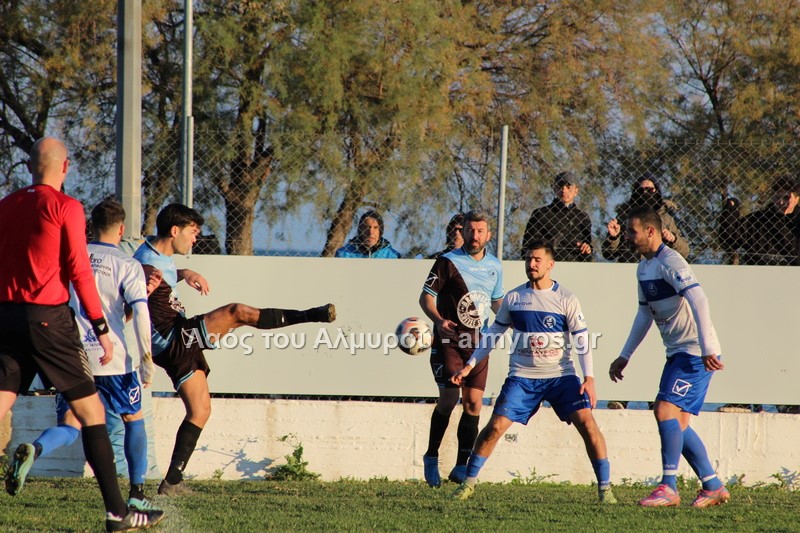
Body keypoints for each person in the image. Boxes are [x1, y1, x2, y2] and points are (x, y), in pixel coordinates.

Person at [0, 137, 163, 531]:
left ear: (29, 167)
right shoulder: (66, 206)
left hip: (5, 316)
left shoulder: (6, 204)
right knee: (91, 414)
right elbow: (79, 270)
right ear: (66, 167)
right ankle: (118, 513)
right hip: (48, 319)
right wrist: (102, 328)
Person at [133, 203, 336, 495]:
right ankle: (311, 315)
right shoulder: (143, 264)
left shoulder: (157, 254)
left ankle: (172, 482)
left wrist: (185, 272)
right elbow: (135, 286)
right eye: (193, 232)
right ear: (175, 231)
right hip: (173, 337)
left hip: (176, 340)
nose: (195, 238)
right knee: (237, 312)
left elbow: (161, 274)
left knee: (200, 410)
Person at [449, 240, 617, 503]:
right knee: (495, 427)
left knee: (587, 423)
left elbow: (582, 340)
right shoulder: (514, 298)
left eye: (537, 259)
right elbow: (493, 334)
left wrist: (589, 378)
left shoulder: (566, 299)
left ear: (550, 264)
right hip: (522, 378)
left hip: (561, 377)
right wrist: (470, 364)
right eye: (528, 259)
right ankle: (468, 483)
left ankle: (605, 489)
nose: (532, 263)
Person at [608, 206, 730, 508]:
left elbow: (699, 299)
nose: (627, 236)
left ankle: (669, 487)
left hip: (695, 352)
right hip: (677, 352)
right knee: (679, 423)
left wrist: (707, 347)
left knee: (664, 410)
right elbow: (644, 313)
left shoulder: (671, 261)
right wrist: (625, 355)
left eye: (632, 231)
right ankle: (713, 486)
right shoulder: (643, 267)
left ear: (651, 231)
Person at [418, 210, 504, 487]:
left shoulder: (495, 265)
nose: (474, 236)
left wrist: (514, 319)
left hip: (478, 344)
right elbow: (426, 298)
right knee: (448, 399)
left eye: (480, 231)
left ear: (488, 235)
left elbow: (496, 302)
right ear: (463, 231)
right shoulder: (447, 261)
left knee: (474, 403)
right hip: (450, 341)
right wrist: (438, 320)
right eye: (469, 230)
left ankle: (461, 466)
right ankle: (431, 456)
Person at [603, 173, 690, 263]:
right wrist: (613, 237)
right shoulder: (625, 217)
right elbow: (608, 254)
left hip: (658, 266)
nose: (645, 193)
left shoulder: (667, 219)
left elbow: (685, 252)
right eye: (640, 190)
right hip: (630, 266)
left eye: (650, 190)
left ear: (657, 192)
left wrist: (673, 239)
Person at [724, 177, 800, 266]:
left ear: (796, 200)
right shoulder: (756, 220)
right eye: (777, 197)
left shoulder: (797, 222)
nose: (781, 202)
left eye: (786, 198)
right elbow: (729, 239)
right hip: (758, 271)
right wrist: (731, 211)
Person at [520, 172, 593, 261]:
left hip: (575, 265)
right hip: (547, 264)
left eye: (568, 187)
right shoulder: (541, 214)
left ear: (576, 191)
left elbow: (588, 251)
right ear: (554, 189)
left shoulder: (583, 217)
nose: (564, 190)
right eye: (560, 186)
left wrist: (586, 250)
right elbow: (528, 246)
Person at [334, 210, 402, 258]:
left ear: (380, 231)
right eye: (366, 227)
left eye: (375, 227)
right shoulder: (343, 254)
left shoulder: (393, 256)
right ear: (360, 230)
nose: (371, 232)